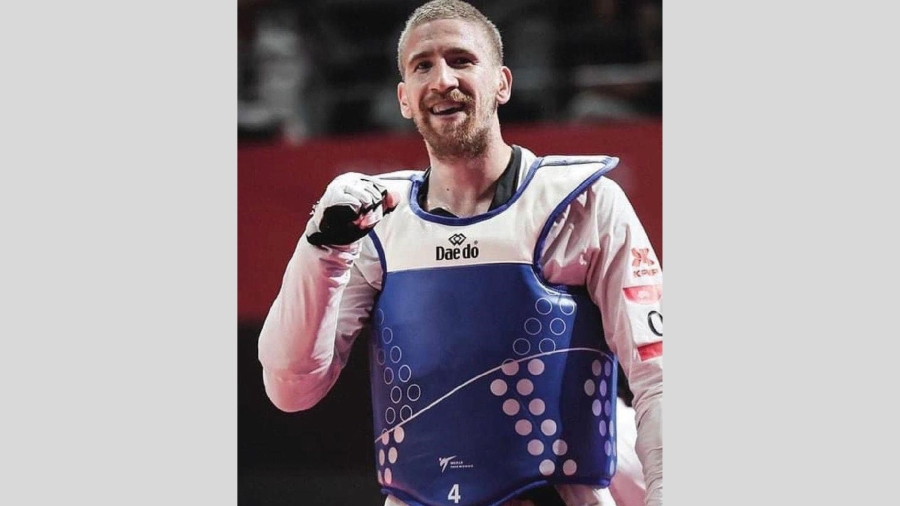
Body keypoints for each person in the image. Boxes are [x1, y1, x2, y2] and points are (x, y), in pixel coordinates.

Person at [257, 1, 662, 505]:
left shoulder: (585, 202)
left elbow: (658, 376)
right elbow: (290, 389)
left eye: (461, 60)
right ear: (404, 99)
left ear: (502, 84)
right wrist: (322, 249)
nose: (442, 79)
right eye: (422, 66)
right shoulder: (374, 222)